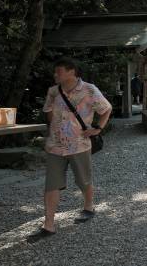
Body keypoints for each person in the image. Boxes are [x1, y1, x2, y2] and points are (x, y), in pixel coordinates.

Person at [29, 57, 112, 241]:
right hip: (55, 145)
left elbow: (106, 109)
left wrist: (98, 128)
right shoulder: (53, 91)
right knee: (51, 185)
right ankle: (48, 225)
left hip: (79, 144)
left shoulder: (89, 89)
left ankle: (88, 206)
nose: (55, 74)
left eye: (58, 71)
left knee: (83, 180)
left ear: (71, 71)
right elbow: (48, 113)